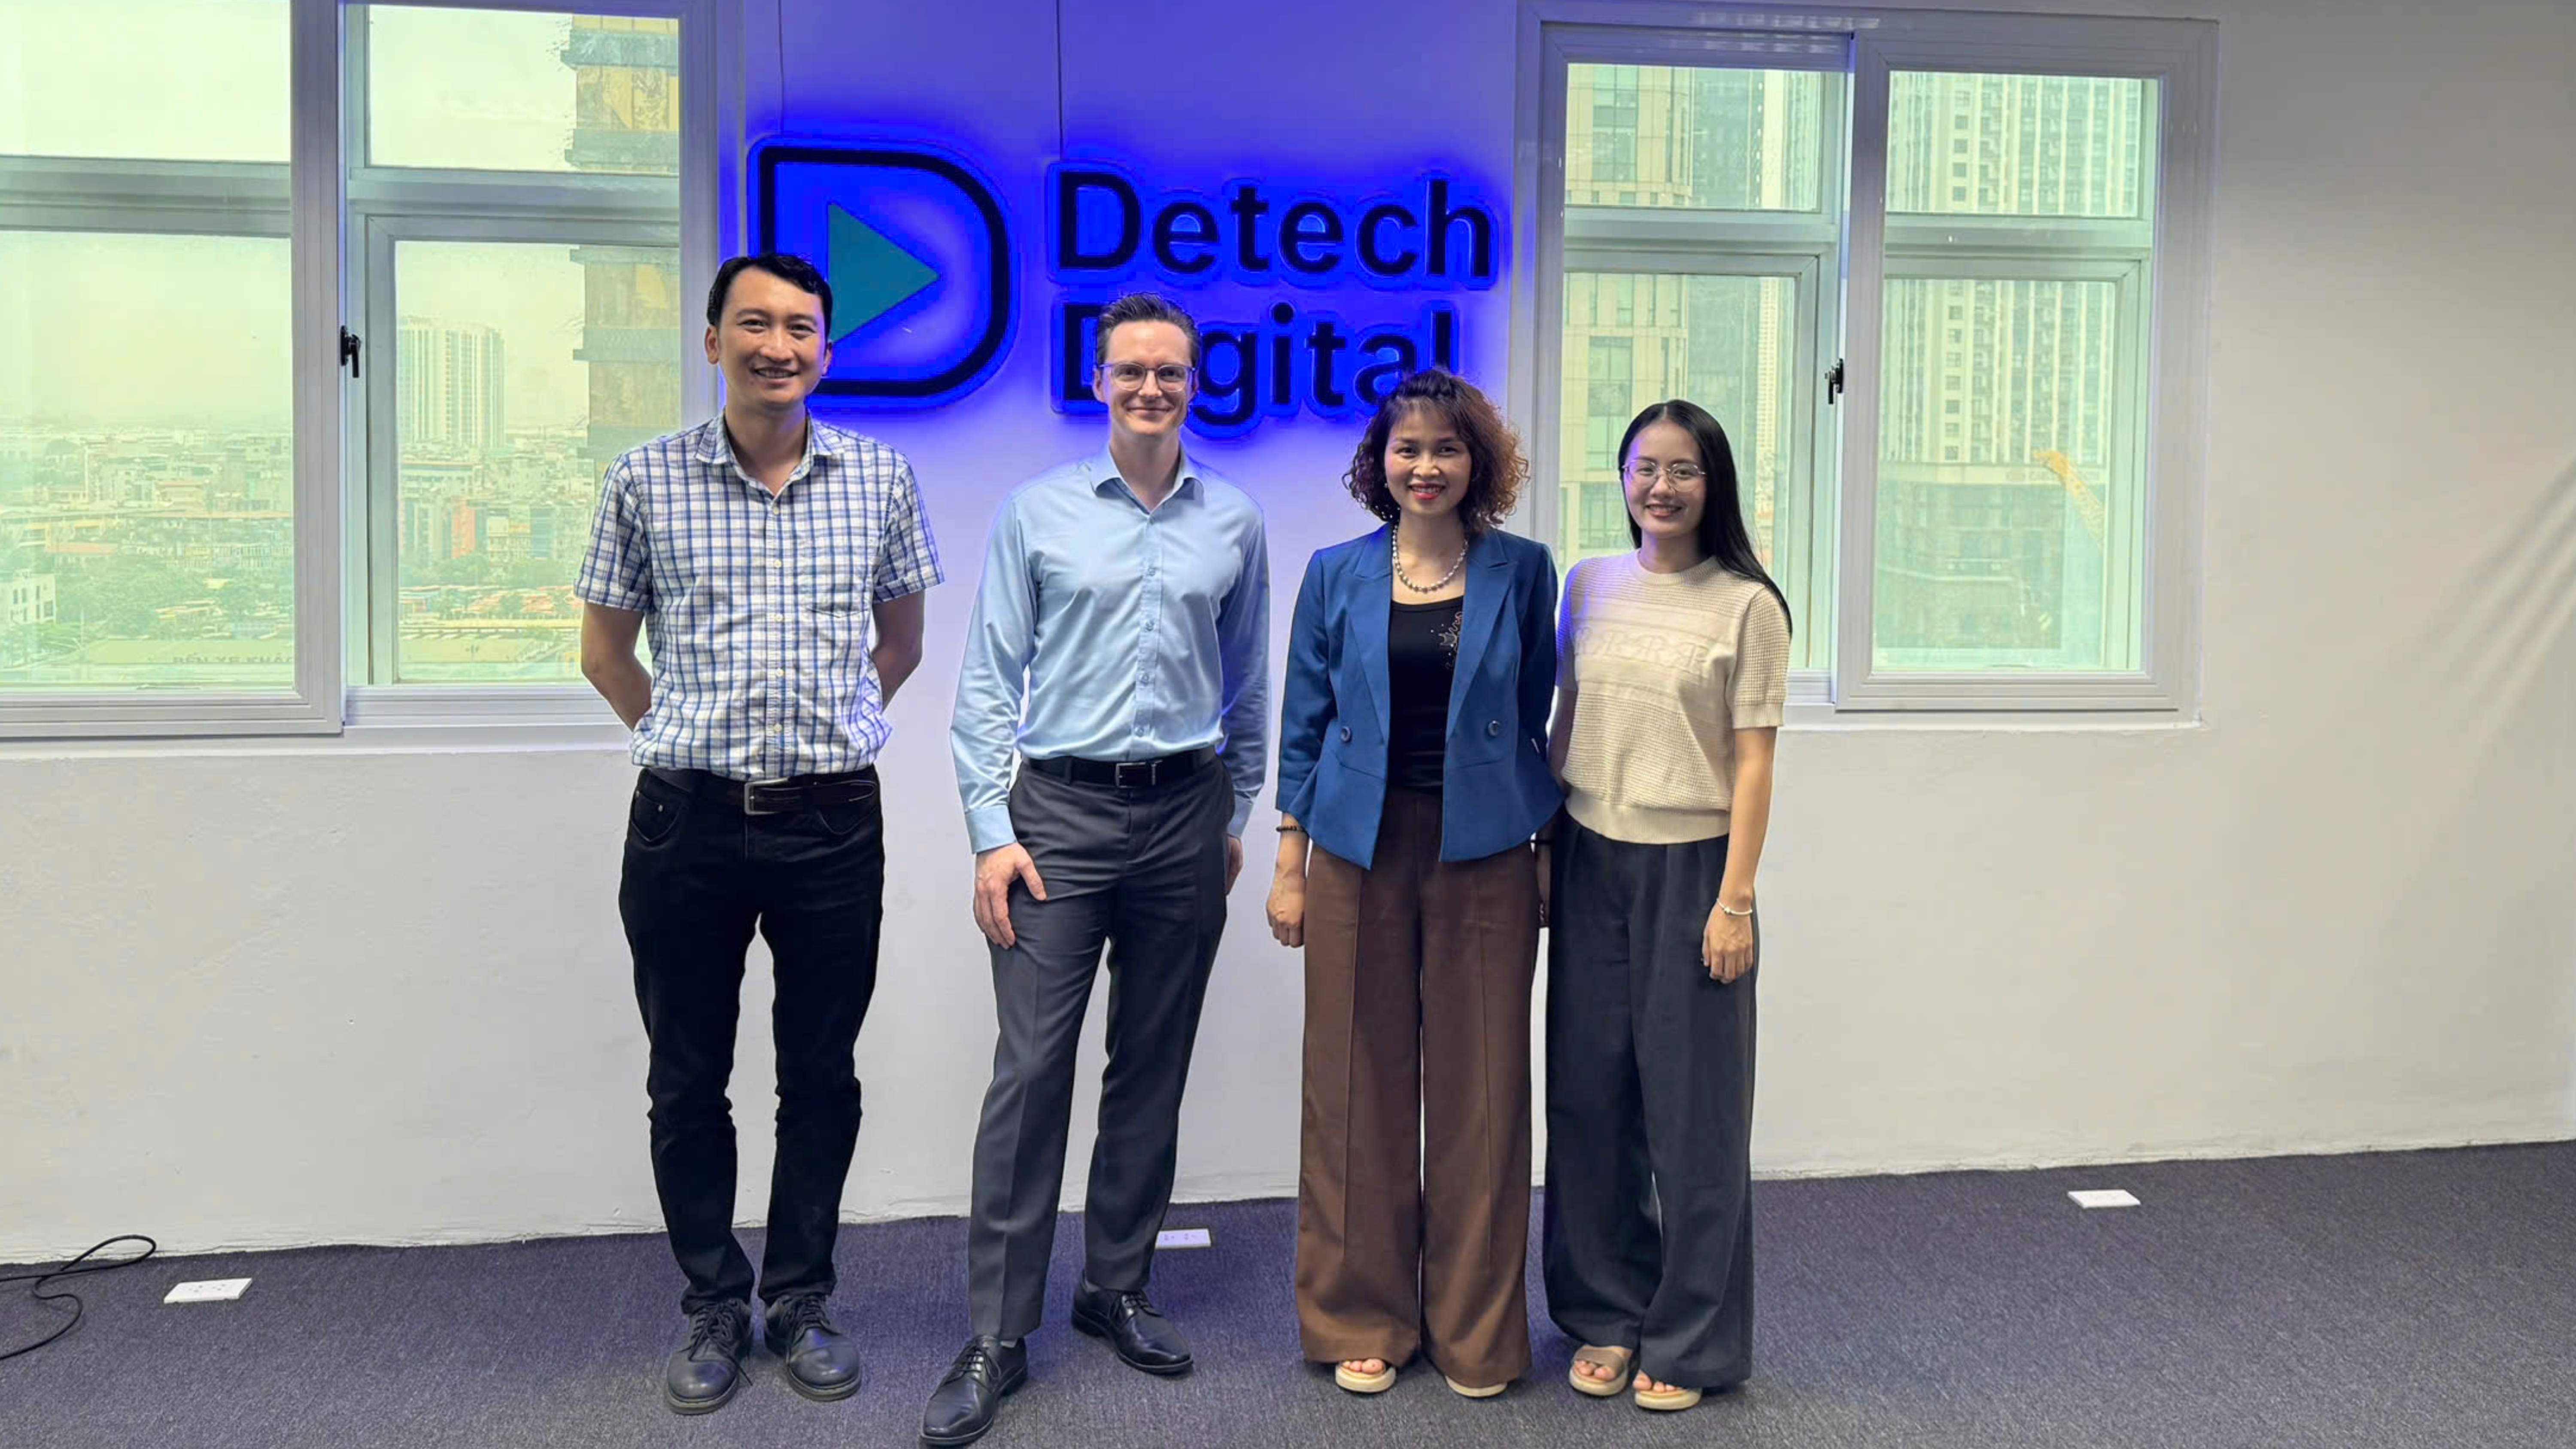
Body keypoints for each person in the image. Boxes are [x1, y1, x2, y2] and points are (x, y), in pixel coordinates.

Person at [575, 252, 943, 1415]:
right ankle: (713, 1304)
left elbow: (902, 643)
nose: (776, 345)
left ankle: (800, 1297)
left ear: (826, 350)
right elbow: (604, 653)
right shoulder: (644, 478)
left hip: (831, 821)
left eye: (799, 327)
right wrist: (687, 741)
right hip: (684, 821)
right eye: (753, 323)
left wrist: (823, 735)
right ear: (713, 341)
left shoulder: (879, 476)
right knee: (687, 1075)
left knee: (820, 1072)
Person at [926, 292, 1271, 1448]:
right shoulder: (1038, 512)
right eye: (1131, 371)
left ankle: (1115, 1284)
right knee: (1032, 1072)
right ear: (1099, 380)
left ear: (1194, 382)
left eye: (1170, 372)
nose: (1150, 389)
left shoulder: (1234, 521)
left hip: (1185, 811)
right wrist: (990, 831)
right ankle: (997, 1330)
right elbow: (988, 680)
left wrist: (1236, 808)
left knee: (1151, 1062)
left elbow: (1248, 679)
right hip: (1058, 816)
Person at [1266, 369, 1559, 1399]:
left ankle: (1476, 1330)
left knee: (1484, 1092)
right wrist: (1291, 862)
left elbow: (1537, 715)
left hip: (1487, 849)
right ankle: (1362, 1314)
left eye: (1446, 447)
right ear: (1378, 461)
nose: (1425, 466)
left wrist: (1544, 845)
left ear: (1478, 461)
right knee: (1353, 1086)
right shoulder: (1335, 572)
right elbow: (1304, 721)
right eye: (1407, 447)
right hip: (1357, 847)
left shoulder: (1524, 570)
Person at [1543, 398, 1789, 1413]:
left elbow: (1756, 763)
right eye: (1645, 466)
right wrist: (1542, 849)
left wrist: (1736, 901)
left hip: (1695, 871)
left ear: (1712, 482)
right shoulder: (1588, 583)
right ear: (1622, 477)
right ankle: (1606, 1311)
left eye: (1683, 469)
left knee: (1695, 1118)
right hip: (1586, 855)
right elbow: (1566, 715)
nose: (1662, 486)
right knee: (1589, 1100)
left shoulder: (1748, 605)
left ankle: (1691, 1337)